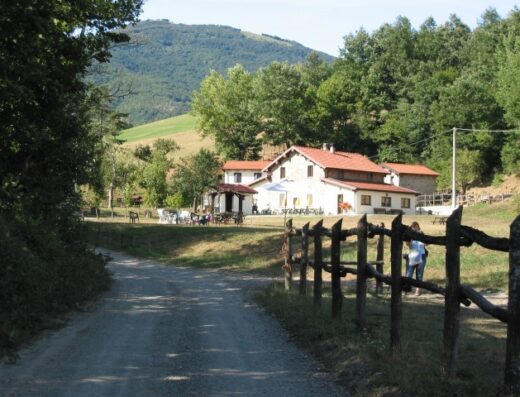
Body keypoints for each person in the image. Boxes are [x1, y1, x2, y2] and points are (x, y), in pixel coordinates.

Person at [406, 221, 427, 296]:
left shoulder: (422, 234)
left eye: (416, 226)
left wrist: (422, 237)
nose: (415, 228)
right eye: (413, 227)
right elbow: (408, 244)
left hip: (422, 255)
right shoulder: (409, 236)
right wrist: (411, 236)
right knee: (409, 273)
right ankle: (407, 287)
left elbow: (427, 244)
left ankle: (418, 290)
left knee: (419, 274)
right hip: (412, 255)